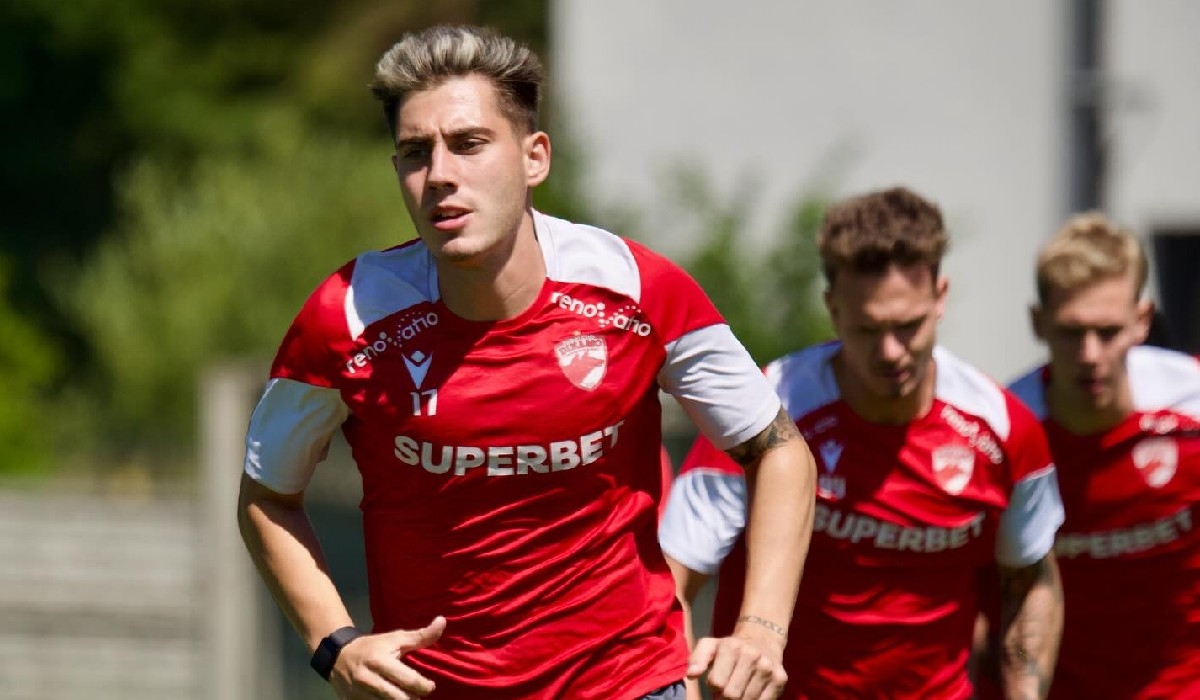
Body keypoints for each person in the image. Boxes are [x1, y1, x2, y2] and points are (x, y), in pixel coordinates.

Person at [236, 24, 817, 700]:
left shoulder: (637, 289)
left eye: (469, 144)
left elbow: (780, 449)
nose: (440, 174)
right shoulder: (346, 316)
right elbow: (266, 496)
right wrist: (334, 644)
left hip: (630, 684)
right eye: (416, 153)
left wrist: (761, 630)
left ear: (534, 157)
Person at [659, 186, 1066, 699]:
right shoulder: (761, 417)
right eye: (868, 329)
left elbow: (1029, 583)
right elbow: (671, 583)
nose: (891, 351)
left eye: (908, 326)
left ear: (940, 296)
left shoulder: (1004, 429)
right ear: (833, 308)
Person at [1006, 213, 1200, 698]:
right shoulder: (1004, 430)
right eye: (1072, 332)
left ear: (1142, 320)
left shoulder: (1192, 405)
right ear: (1038, 322)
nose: (1090, 354)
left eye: (1108, 332)